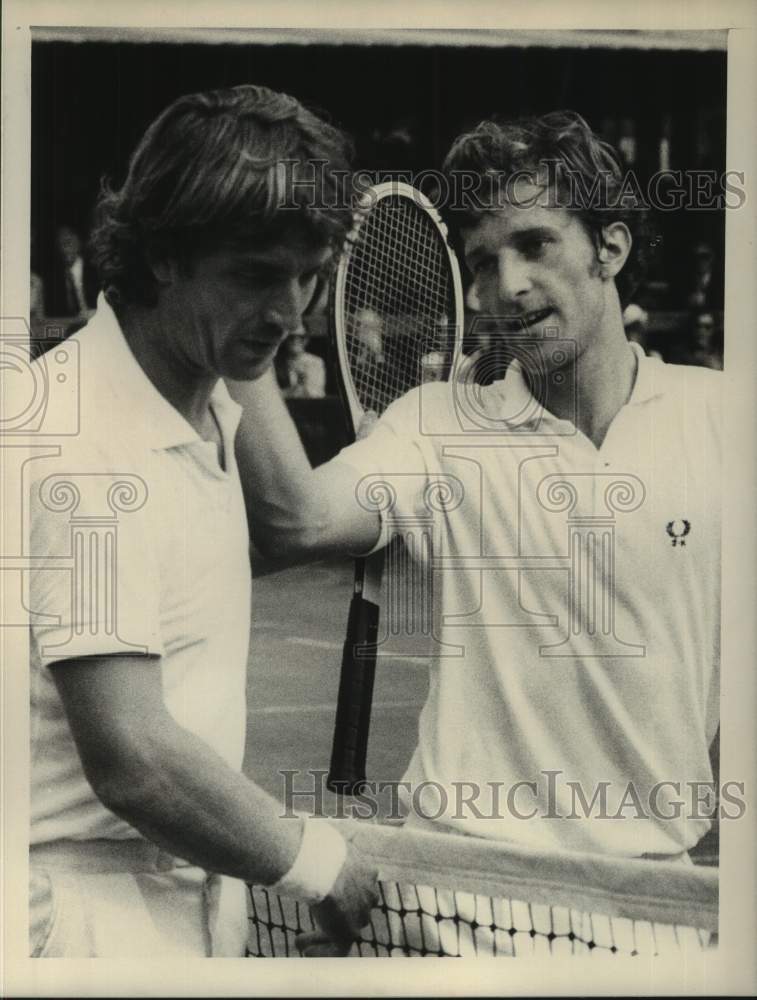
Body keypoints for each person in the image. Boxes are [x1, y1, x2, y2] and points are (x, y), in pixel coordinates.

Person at [231, 112, 721, 868]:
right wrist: (240, 322)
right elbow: (292, 524)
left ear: (611, 247)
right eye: (483, 262)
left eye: (534, 244)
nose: (507, 286)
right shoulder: (436, 425)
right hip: (459, 883)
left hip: (652, 890)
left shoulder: (724, 421)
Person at [28, 85, 378, 959]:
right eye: (256, 274)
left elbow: (287, 519)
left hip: (174, 891)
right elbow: (135, 759)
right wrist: (315, 863)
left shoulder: (209, 398)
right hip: (75, 919)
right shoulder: (86, 446)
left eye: (309, 275)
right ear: (162, 257)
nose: (290, 313)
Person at [45, 223, 99, 318]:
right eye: (61, 244)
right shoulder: (54, 277)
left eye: (68, 242)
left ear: (79, 243)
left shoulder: (95, 268)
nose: (65, 248)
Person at [276, 330, 327, 398]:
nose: (296, 340)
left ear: (306, 340)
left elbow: (316, 393)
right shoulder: (276, 363)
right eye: (291, 337)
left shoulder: (315, 362)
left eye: (301, 337)